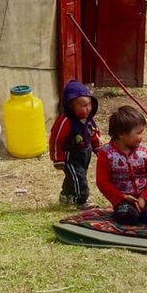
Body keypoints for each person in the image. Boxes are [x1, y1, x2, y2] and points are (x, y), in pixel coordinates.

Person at [95, 105, 147, 225]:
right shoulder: (106, 153)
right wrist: (121, 197)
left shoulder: (144, 152)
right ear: (121, 134)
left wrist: (144, 198)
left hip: (146, 198)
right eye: (138, 133)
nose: (141, 137)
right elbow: (103, 182)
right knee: (127, 217)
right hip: (123, 200)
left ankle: (145, 211)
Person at [50, 79, 100, 207]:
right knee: (79, 178)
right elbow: (56, 139)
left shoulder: (89, 119)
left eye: (89, 104)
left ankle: (66, 195)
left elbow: (93, 133)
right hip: (71, 156)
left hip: (85, 154)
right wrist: (57, 158)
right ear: (71, 105)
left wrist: (97, 147)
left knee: (74, 177)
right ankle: (81, 200)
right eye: (83, 106)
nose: (88, 108)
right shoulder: (65, 121)